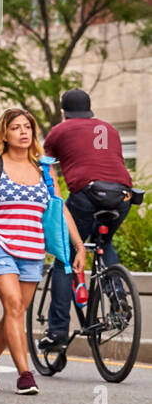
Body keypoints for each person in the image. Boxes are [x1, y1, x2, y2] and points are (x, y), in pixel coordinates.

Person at [0, 108, 84, 395]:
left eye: (27, 127)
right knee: (13, 305)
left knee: (16, 311)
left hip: (32, 250)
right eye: (16, 127)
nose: (23, 132)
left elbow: (59, 208)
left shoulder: (43, 169)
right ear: (4, 134)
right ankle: (25, 374)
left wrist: (78, 245)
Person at [38, 89, 136, 353]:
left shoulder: (59, 131)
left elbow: (46, 170)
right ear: (90, 109)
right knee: (104, 243)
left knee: (64, 257)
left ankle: (57, 332)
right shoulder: (110, 129)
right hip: (123, 196)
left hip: (87, 195)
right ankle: (118, 300)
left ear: (63, 111)